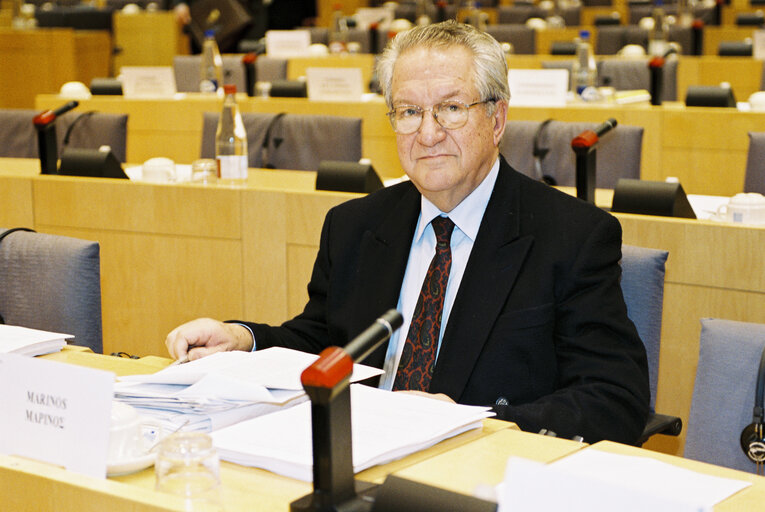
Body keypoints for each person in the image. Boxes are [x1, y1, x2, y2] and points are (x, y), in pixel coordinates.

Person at [166, 20, 650, 445]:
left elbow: (615, 398)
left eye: (452, 108)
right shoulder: (355, 225)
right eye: (409, 111)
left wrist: (478, 423)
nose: (429, 133)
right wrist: (242, 339)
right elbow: (327, 340)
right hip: (359, 458)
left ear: (497, 119)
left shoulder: (572, 236)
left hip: (478, 473)